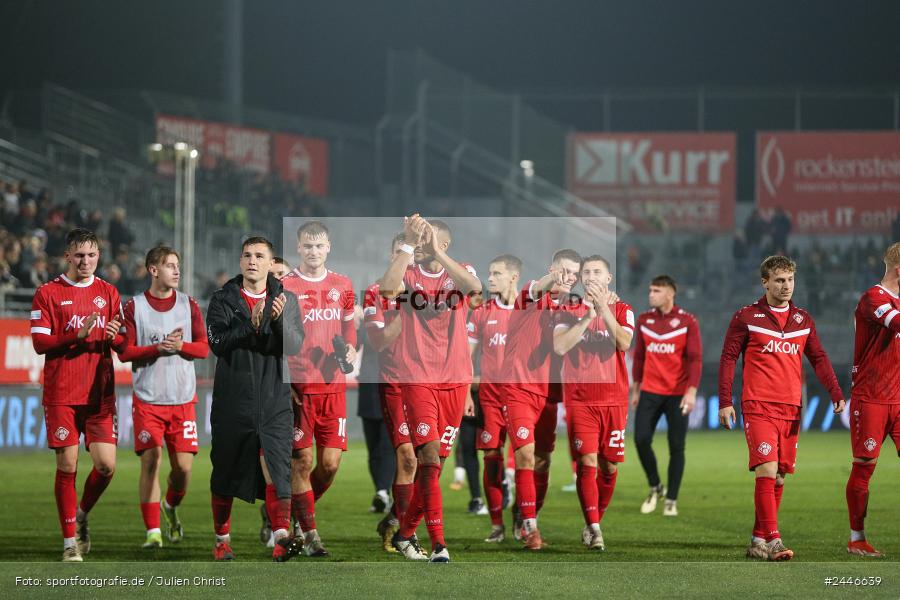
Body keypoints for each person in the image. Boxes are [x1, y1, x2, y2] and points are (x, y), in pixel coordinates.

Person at [719, 255, 845, 561]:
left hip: (791, 407)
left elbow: (818, 358)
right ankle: (774, 539)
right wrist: (725, 401)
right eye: (779, 280)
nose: (786, 286)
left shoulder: (803, 320)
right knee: (767, 468)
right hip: (758, 404)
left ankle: (757, 540)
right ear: (765, 283)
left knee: (778, 477)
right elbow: (728, 358)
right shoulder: (746, 317)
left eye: (789, 280)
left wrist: (835, 391)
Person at [380, 215, 481, 563]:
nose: (422, 244)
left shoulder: (461, 270)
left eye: (427, 239)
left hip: (455, 379)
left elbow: (474, 288)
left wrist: (437, 251)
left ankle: (405, 533)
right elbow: (387, 290)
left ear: (444, 243)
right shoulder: (408, 273)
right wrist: (409, 243)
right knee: (427, 456)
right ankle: (439, 543)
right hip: (418, 377)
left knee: (434, 467)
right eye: (419, 239)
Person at [206, 236, 304, 562]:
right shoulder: (223, 299)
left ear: (270, 263)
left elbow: (294, 345)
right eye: (247, 255)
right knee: (225, 470)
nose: (252, 261)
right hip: (233, 400)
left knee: (277, 467)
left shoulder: (286, 300)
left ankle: (281, 538)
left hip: (275, 400)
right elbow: (217, 343)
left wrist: (277, 321)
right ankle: (222, 540)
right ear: (240, 261)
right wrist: (251, 324)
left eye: (259, 256)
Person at [30, 228, 125, 562]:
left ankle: (82, 514)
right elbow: (39, 343)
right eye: (80, 255)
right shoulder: (47, 293)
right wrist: (75, 335)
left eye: (92, 255)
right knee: (67, 465)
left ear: (99, 255)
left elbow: (123, 343)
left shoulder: (109, 292)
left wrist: (116, 336)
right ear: (67, 256)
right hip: (62, 395)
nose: (86, 261)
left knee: (106, 466)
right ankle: (69, 542)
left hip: (100, 395)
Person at [117, 246, 209, 549]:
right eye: (170, 265)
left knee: (183, 469)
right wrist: (157, 349)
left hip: (182, 401)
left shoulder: (188, 304)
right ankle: (153, 532)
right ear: (153, 270)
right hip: (148, 400)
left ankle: (169, 506)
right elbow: (125, 352)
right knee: (151, 461)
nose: (177, 270)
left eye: (177, 265)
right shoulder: (135, 307)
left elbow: (203, 348)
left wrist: (180, 347)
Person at [281, 221, 357, 557]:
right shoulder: (285, 286)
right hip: (300, 389)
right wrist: (284, 381)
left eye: (319, 246)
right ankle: (310, 534)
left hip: (333, 388)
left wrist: (351, 348)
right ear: (299, 248)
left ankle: (298, 512)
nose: (313, 251)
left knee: (330, 465)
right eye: (307, 246)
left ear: (329, 247)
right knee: (302, 461)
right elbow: (276, 339)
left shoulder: (343, 284)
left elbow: (349, 328)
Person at [501, 249, 581, 550]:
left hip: (550, 393)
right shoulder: (530, 296)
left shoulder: (571, 310)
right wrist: (552, 279)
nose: (568, 277)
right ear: (552, 269)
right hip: (519, 387)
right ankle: (531, 530)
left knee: (543, 461)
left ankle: (526, 512)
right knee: (525, 454)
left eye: (574, 274)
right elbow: (537, 287)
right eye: (563, 270)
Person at [553, 256, 634, 551]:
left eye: (597, 272)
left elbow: (624, 342)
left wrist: (603, 310)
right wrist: (588, 316)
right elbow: (560, 346)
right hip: (580, 400)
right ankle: (595, 529)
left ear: (608, 278)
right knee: (587, 462)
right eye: (586, 272)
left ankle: (594, 519)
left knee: (609, 466)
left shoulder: (623, 309)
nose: (591, 276)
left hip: (614, 400)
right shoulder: (567, 309)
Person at [844, 242, 900, 557]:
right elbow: (896, 323)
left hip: (899, 398)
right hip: (872, 398)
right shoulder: (873, 298)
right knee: (865, 467)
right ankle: (857, 538)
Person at [630, 275, 702, 517]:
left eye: (656, 291)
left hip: (677, 394)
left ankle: (671, 499)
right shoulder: (644, 320)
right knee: (641, 439)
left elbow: (695, 359)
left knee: (676, 447)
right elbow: (639, 357)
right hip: (649, 391)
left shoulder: (687, 321)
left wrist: (691, 392)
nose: (651, 295)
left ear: (670, 294)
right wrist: (636, 388)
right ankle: (656, 486)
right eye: (650, 290)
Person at [366, 233, 419, 553]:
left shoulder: (428, 291)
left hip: (428, 384)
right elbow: (378, 342)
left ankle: (394, 519)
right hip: (395, 384)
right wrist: (407, 311)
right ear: (392, 256)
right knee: (408, 458)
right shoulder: (375, 292)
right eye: (400, 252)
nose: (406, 259)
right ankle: (405, 531)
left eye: (410, 253)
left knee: (428, 462)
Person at [467, 254, 520, 542]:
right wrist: (467, 392)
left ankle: (522, 518)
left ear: (513, 277)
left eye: (496, 273)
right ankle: (497, 524)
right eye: (489, 273)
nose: (490, 278)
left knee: (525, 458)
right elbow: (467, 356)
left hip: (521, 396)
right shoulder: (482, 312)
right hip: (489, 397)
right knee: (491, 458)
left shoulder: (529, 311)